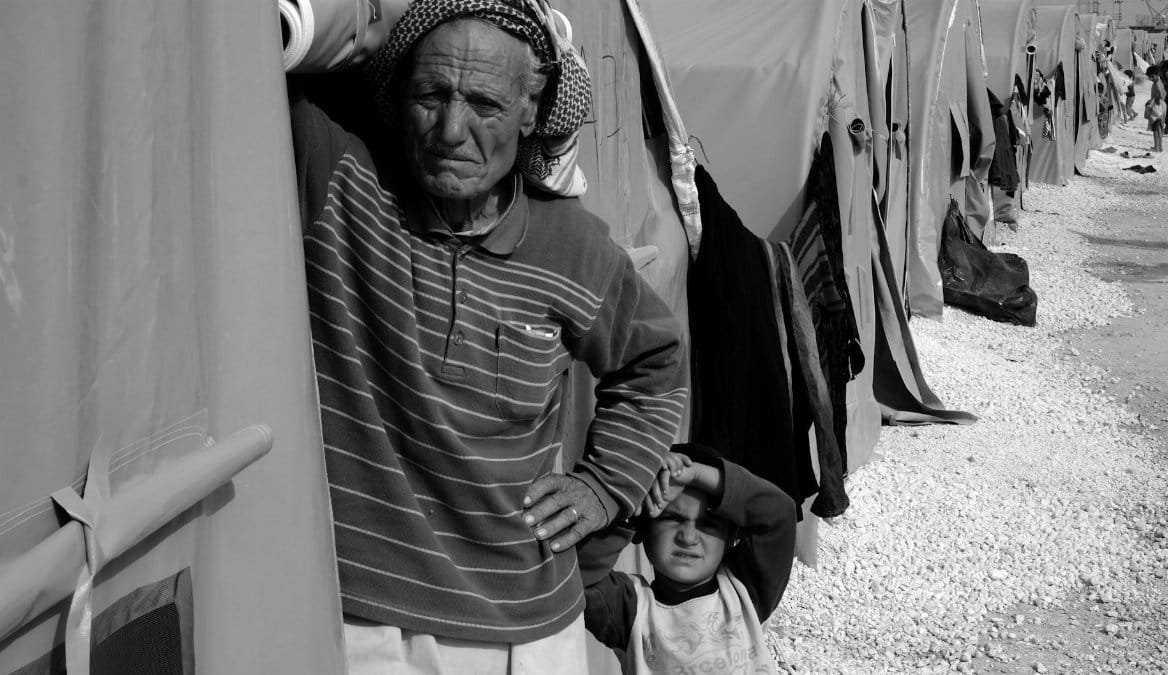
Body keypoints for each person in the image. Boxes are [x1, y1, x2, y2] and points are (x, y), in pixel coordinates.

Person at [288, 1, 689, 671]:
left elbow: (655, 360)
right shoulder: (342, 177)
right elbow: (259, 39)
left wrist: (603, 485)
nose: (451, 128)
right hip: (354, 614)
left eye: (484, 104)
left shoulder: (571, 245)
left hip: (524, 627)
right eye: (430, 95)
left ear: (530, 112)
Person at [579, 444, 797, 674]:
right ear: (642, 528)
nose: (688, 537)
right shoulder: (628, 608)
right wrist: (634, 501)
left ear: (731, 536)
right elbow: (576, 576)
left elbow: (779, 513)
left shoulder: (744, 590)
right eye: (672, 518)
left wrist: (691, 474)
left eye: (708, 524)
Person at [1147, 76, 1166, 152]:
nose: (1151, 78)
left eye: (1152, 76)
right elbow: (1165, 93)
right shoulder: (1159, 82)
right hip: (1160, 105)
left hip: (1157, 106)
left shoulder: (1157, 84)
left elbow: (1162, 94)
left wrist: (1155, 102)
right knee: (1159, 127)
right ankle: (1159, 146)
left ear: (1155, 74)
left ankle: (1157, 147)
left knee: (1156, 128)